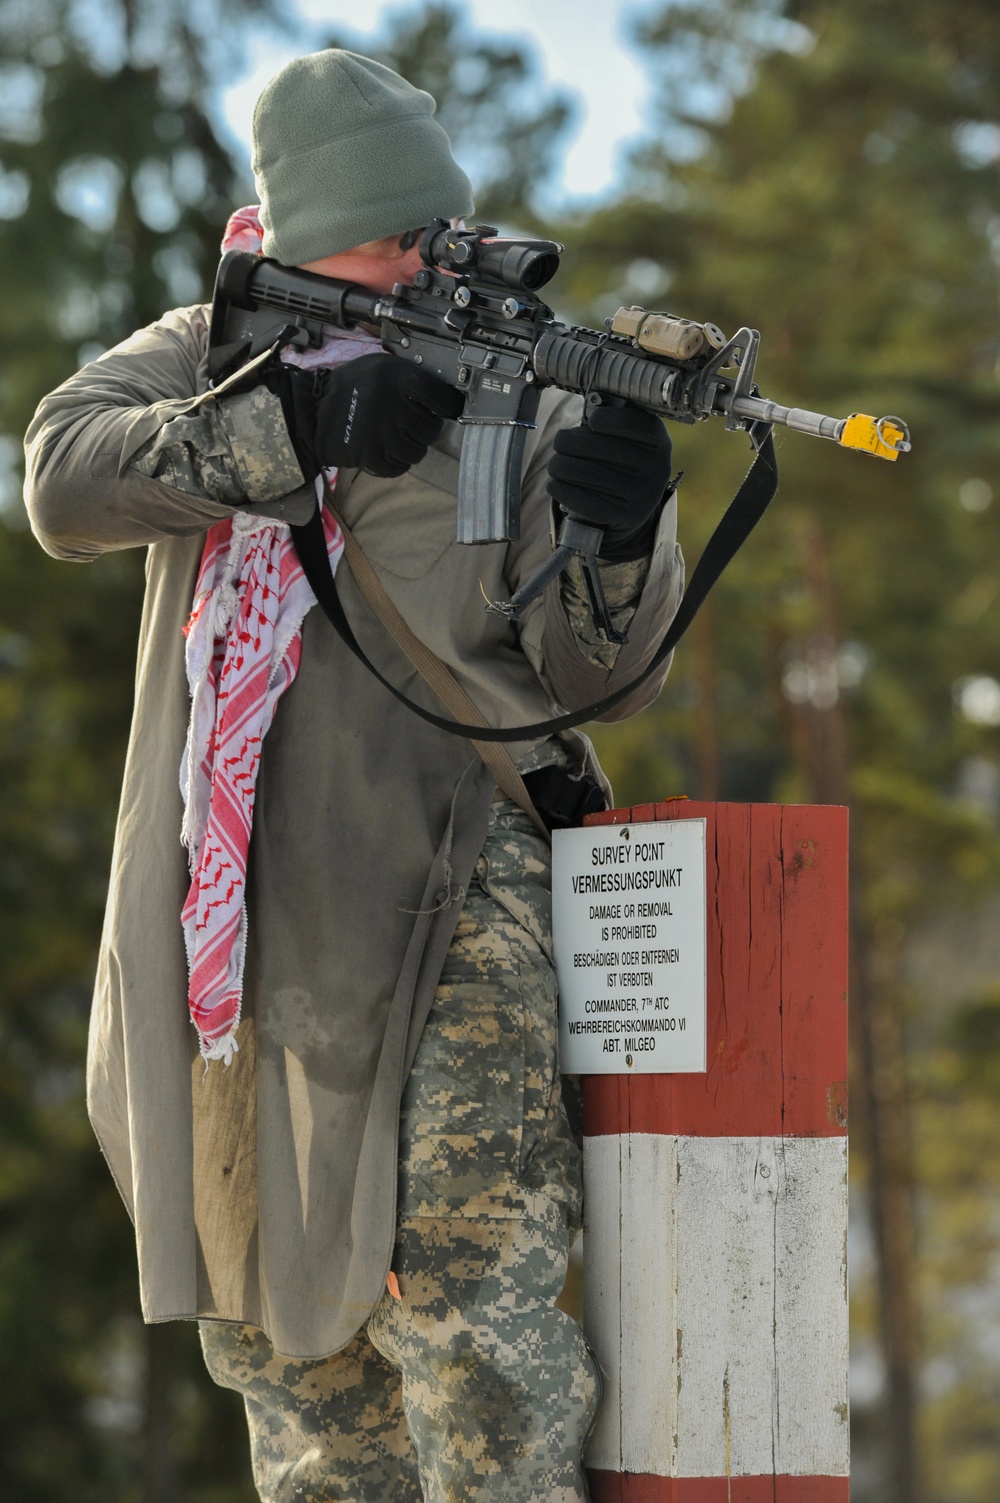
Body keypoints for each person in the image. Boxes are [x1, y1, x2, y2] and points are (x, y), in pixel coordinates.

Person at [24, 49, 684, 1503]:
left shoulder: (518, 388)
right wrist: (295, 426)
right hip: (239, 926)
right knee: (293, 1367)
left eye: (434, 235)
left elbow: (609, 681)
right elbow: (64, 479)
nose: (419, 263)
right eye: (389, 238)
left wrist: (624, 540)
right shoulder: (206, 347)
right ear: (302, 232)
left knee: (473, 1329)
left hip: (454, 898)